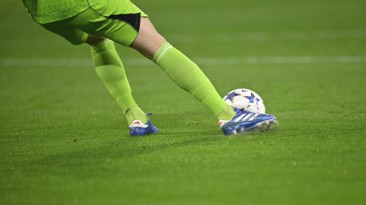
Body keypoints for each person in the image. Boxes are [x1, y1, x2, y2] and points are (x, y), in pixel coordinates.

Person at [21, 0, 277, 136]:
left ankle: (136, 118)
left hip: (44, 11)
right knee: (157, 45)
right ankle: (228, 115)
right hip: (84, 2)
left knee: (97, 40)